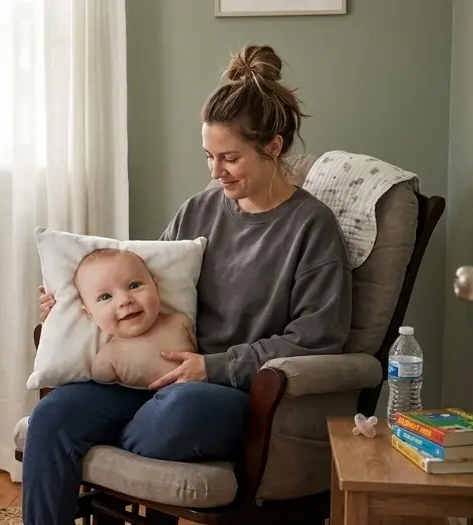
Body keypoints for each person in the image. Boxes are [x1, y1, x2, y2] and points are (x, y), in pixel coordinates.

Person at [22, 44, 352, 525]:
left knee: (182, 411)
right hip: (149, 382)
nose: (216, 173)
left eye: (230, 158)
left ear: (273, 147)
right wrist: (71, 312)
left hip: (226, 394)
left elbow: (317, 338)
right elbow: (144, 290)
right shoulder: (199, 209)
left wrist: (210, 366)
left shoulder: (311, 227)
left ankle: (112, 438)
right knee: (52, 417)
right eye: (209, 157)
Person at [72, 248, 197, 389]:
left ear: (155, 288)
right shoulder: (107, 359)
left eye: (134, 286)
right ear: (90, 314)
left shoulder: (180, 323)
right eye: (105, 297)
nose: (125, 300)